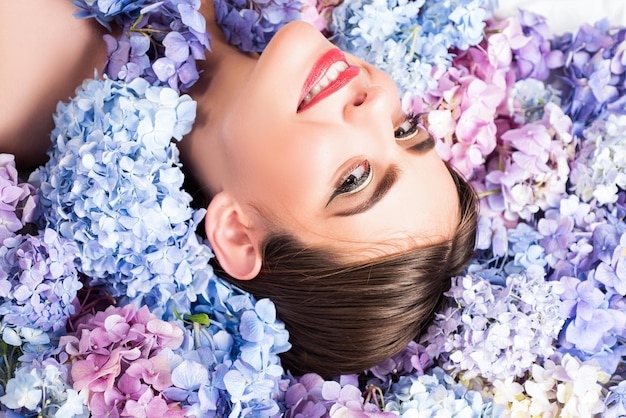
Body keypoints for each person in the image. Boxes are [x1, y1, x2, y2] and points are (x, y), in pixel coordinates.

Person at [0, 0, 478, 377]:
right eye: (403, 129)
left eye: (354, 178)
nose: (375, 105)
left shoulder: (24, 66)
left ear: (237, 234)